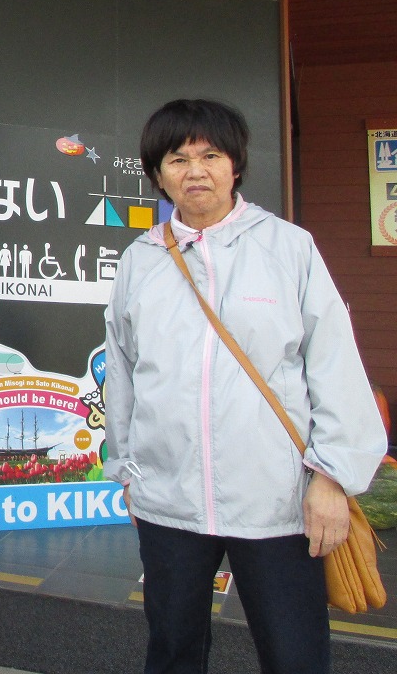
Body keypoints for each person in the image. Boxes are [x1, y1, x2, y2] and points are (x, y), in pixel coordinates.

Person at [103, 98, 387, 674]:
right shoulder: (141, 260)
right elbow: (125, 372)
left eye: (211, 155)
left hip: (277, 503)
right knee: (173, 650)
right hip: (170, 501)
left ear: (236, 166)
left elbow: (334, 364)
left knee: (294, 655)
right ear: (158, 175)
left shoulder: (289, 248)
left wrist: (332, 478)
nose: (195, 170)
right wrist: (128, 470)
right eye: (177, 159)